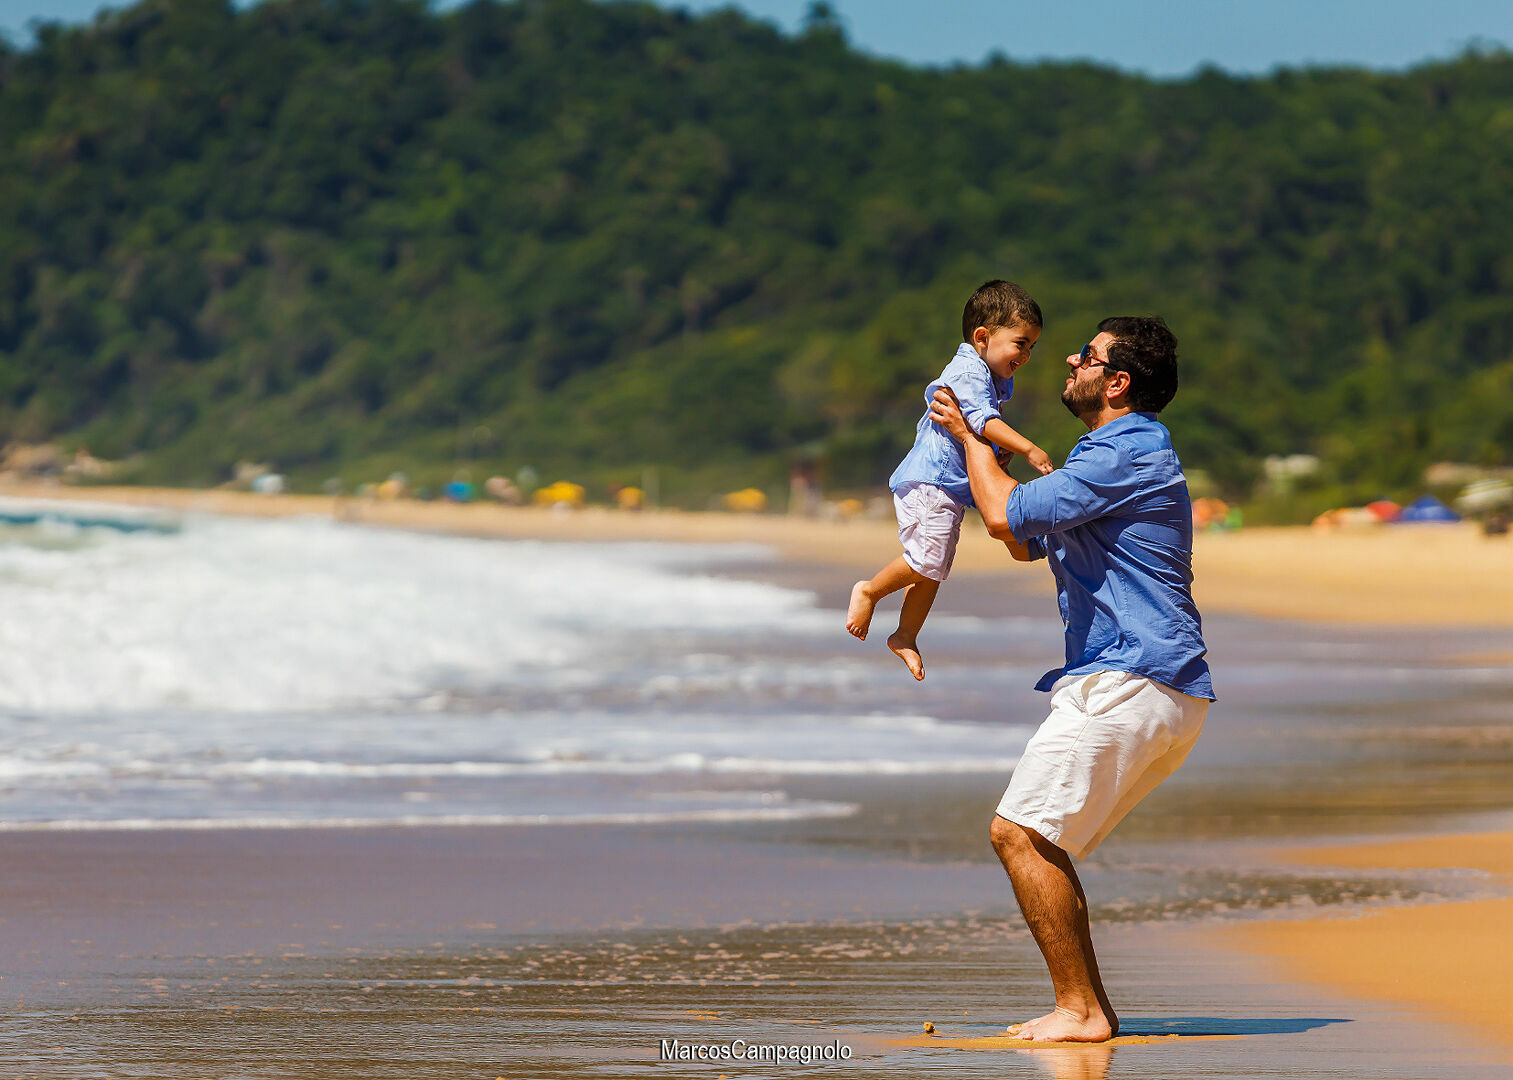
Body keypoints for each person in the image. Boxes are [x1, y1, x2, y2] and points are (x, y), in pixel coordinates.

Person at [928, 316, 1214, 1043]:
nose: (1067, 359)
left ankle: (1081, 1009)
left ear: (1115, 382)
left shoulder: (1128, 452)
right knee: (1034, 838)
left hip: (1134, 676)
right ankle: (1085, 1006)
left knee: (1018, 833)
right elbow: (1026, 541)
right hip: (1147, 682)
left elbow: (1000, 515)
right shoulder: (1107, 457)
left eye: (1084, 356)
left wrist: (969, 436)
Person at [846, 280, 1054, 680]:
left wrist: (994, 455)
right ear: (983, 337)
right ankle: (869, 591)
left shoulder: (988, 376)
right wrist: (1028, 449)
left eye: (1031, 346)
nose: (1026, 355)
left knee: (934, 566)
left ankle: (905, 634)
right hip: (932, 481)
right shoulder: (967, 371)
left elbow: (978, 431)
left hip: (950, 487)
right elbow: (980, 420)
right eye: (1021, 343)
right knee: (928, 559)